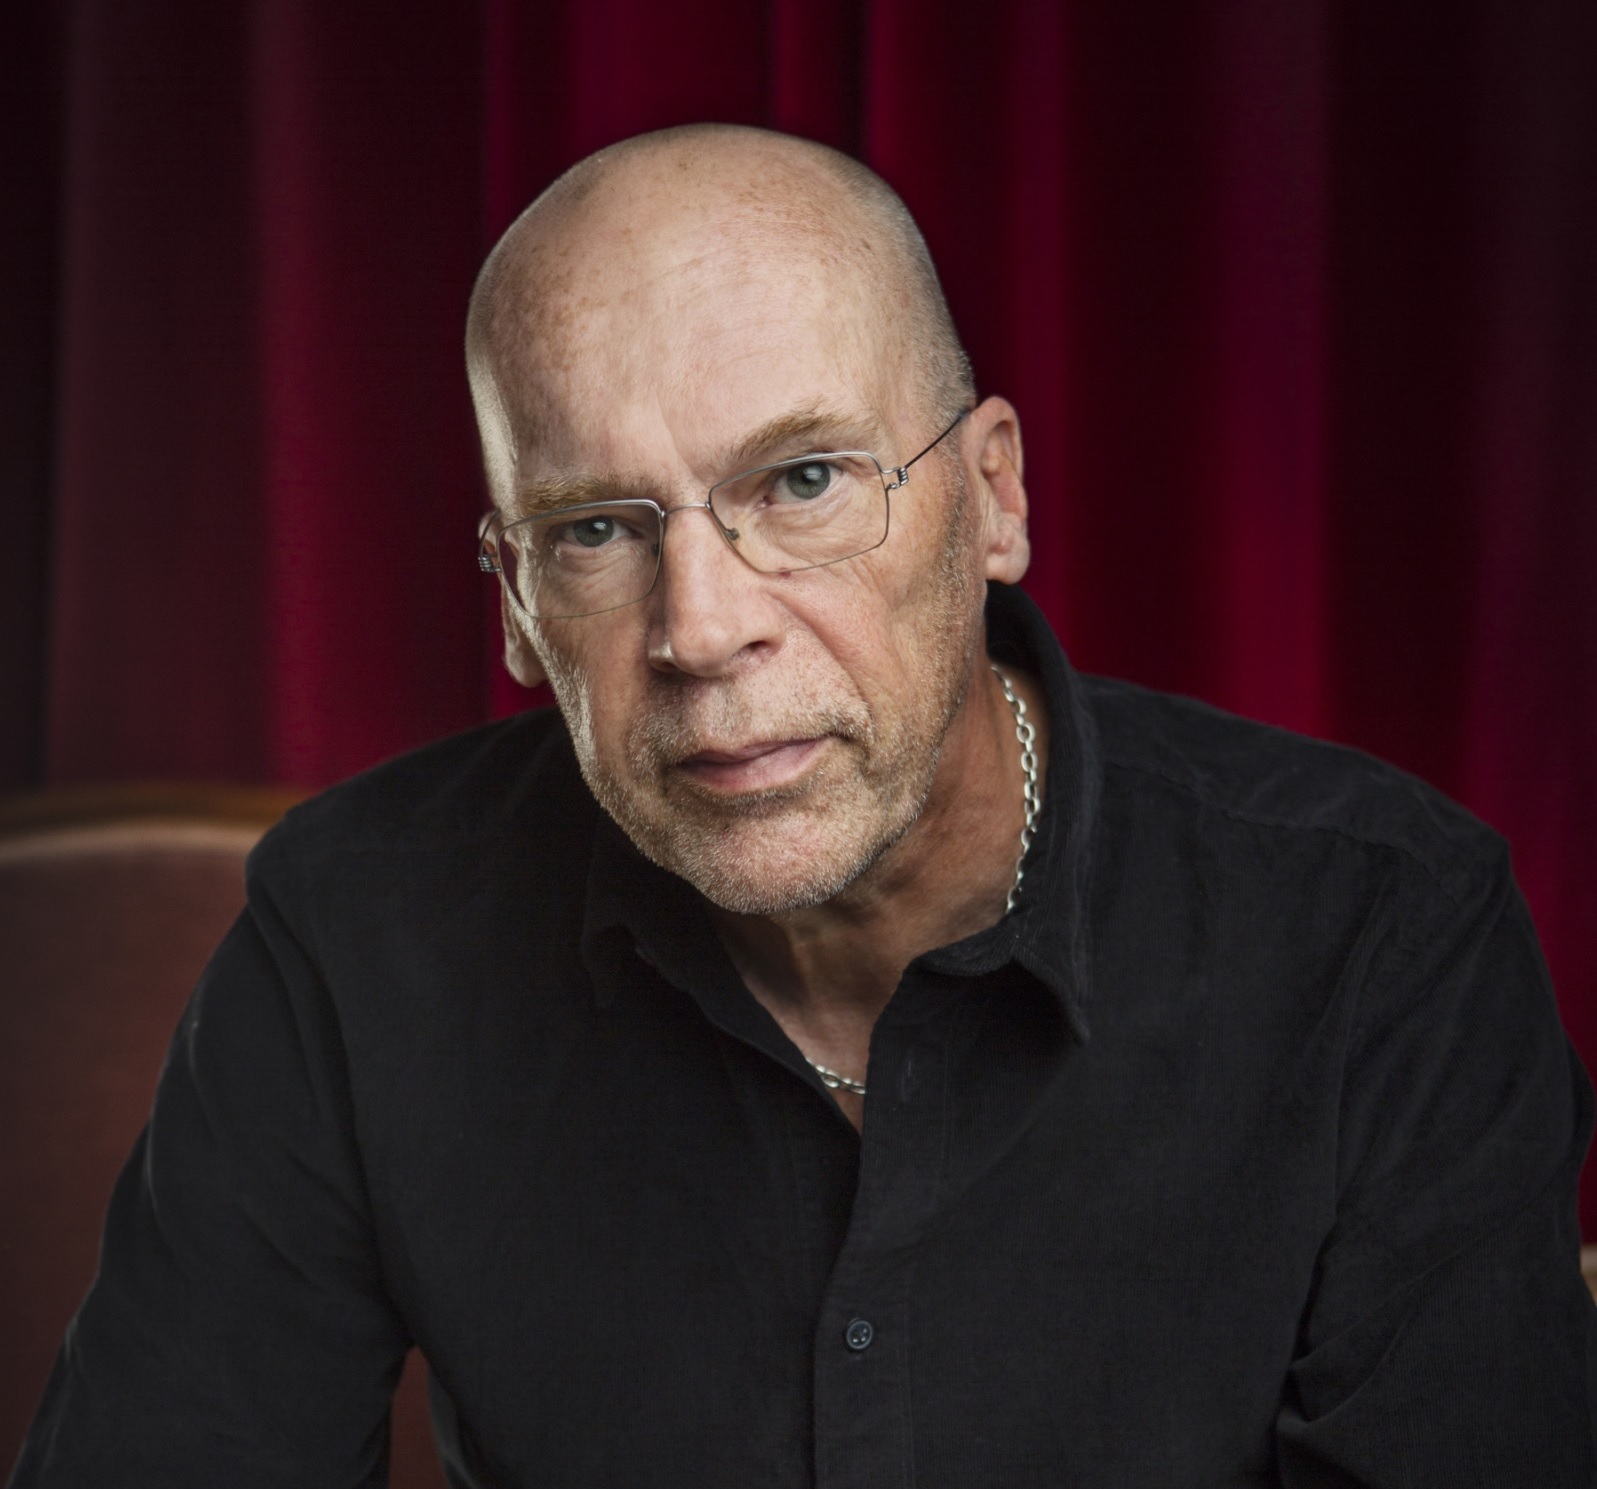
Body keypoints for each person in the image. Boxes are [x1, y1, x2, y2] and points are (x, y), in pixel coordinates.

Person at [11, 123, 1595, 1488]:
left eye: (804, 481)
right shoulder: (355, 934)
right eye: (595, 530)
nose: (700, 628)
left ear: (990, 497)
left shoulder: (1383, 936)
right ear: (509, 604)